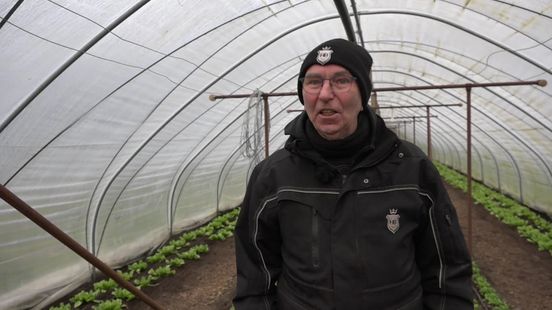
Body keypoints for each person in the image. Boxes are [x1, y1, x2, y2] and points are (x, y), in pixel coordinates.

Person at [233, 38, 473, 310]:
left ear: (363, 95)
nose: (325, 93)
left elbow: (446, 272)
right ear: (303, 94)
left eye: (341, 81)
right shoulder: (272, 175)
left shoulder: (412, 169)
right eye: (313, 82)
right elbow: (255, 279)